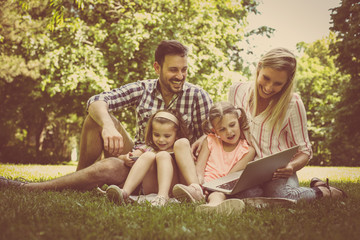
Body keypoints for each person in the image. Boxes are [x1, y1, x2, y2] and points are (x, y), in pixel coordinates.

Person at [0, 40, 212, 191]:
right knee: (96, 117)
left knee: (110, 166)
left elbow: (213, 136)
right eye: (174, 70)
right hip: (139, 156)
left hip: (171, 167)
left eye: (184, 70)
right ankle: (80, 179)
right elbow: (96, 100)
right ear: (157, 67)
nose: (180, 76)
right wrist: (108, 126)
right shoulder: (143, 88)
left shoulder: (197, 96)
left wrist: (203, 138)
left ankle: (30, 188)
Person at [225, 47, 346, 201]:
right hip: (246, 170)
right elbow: (228, 123)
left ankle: (324, 191)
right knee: (246, 195)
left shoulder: (292, 104)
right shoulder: (237, 91)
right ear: (259, 67)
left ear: (287, 82)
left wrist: (291, 167)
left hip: (278, 172)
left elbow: (305, 151)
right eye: (266, 78)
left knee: (280, 195)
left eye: (278, 83)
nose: (269, 87)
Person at [171, 102, 256, 214]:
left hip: (220, 187)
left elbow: (230, 177)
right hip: (199, 182)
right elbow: (200, 168)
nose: (229, 132)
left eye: (232, 125)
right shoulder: (210, 140)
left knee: (217, 195)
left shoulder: (247, 150)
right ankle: (196, 191)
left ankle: (212, 207)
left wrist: (212, 188)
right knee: (181, 143)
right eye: (222, 129)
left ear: (239, 121)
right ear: (215, 131)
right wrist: (200, 183)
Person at [106, 109, 191, 207]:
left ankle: (163, 196)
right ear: (151, 133)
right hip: (149, 187)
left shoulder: (178, 149)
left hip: (171, 188)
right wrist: (125, 158)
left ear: (176, 135)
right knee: (148, 155)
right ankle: (125, 192)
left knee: (163, 155)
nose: (161, 140)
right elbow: (124, 157)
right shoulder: (148, 148)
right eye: (156, 135)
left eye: (167, 136)